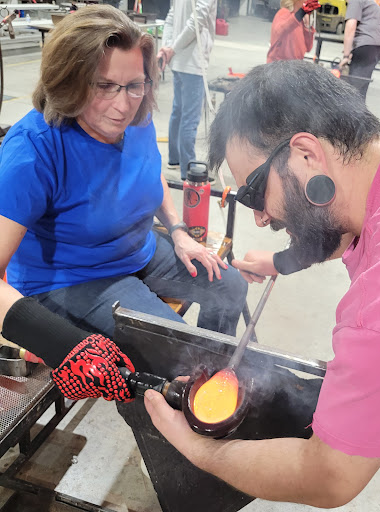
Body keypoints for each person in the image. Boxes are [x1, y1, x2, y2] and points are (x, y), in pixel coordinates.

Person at [144, 60, 380, 511]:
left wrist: (197, 450)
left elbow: (328, 477)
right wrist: (281, 260)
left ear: (307, 155)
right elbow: (344, 224)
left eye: (255, 193)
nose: (260, 217)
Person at [0, 6, 247, 402]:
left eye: (135, 85)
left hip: (136, 248)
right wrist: (59, 342)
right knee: (176, 354)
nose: (123, 105)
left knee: (230, 287)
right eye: (104, 86)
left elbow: (148, 173)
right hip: (73, 279)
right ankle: (172, 403)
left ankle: (206, 386)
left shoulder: (136, 116)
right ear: (69, 81)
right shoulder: (35, 150)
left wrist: (178, 231)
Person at [157, 0, 217, 180]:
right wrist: (172, 49)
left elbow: (171, 16)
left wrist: (168, 47)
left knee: (179, 112)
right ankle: (188, 170)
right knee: (189, 119)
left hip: (178, 61)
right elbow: (196, 21)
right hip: (192, 63)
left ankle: (175, 159)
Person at [339, 0, 380, 100]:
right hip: (376, 46)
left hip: (366, 45)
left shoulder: (355, 1)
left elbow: (351, 26)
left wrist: (346, 56)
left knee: (353, 90)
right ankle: (359, 107)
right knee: (361, 89)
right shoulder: (369, 2)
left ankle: (353, 108)